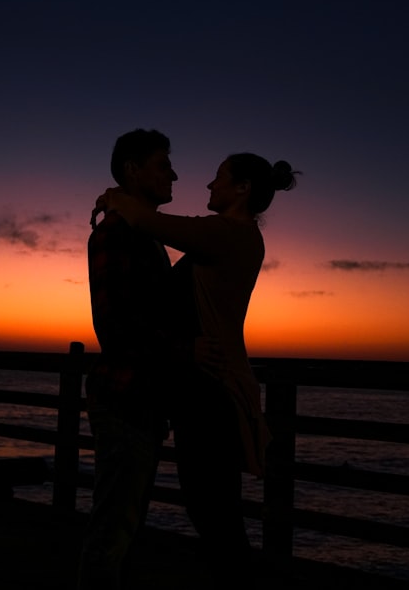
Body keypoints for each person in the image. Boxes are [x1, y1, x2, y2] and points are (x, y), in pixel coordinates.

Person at [96, 152, 299, 580]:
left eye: (218, 177)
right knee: (214, 511)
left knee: (215, 515)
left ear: (242, 188)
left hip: (213, 390)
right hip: (206, 388)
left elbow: (148, 221)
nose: (209, 185)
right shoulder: (235, 236)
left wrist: (113, 196)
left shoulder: (226, 233)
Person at [77, 128, 189, 590]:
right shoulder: (117, 233)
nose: (174, 175)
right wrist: (184, 349)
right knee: (113, 528)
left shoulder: (144, 233)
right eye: (163, 165)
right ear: (132, 170)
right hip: (125, 399)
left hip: (142, 400)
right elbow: (115, 327)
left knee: (124, 524)